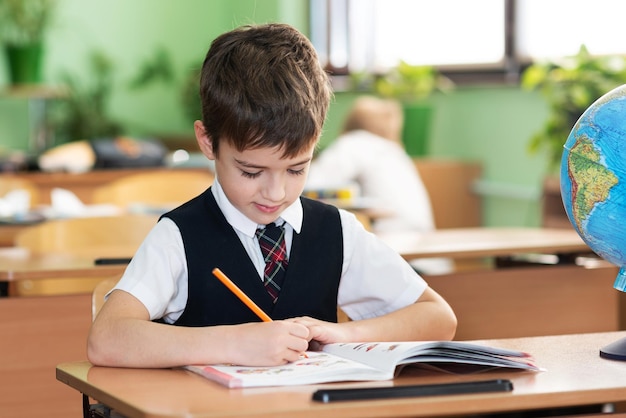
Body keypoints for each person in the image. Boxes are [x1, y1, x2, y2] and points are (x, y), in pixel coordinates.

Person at [87, 23, 456, 369]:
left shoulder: (336, 231)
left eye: (296, 169)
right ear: (207, 142)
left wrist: (343, 335)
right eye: (251, 171)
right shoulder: (179, 237)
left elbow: (438, 318)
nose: (276, 192)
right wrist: (235, 344)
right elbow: (106, 339)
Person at [306, 96, 453, 274]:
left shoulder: (354, 143)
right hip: (430, 258)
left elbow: (308, 186)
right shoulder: (396, 153)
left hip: (395, 258)